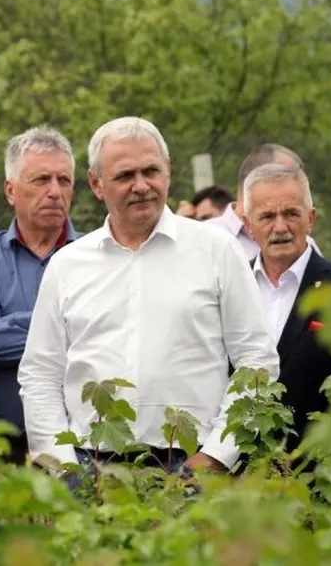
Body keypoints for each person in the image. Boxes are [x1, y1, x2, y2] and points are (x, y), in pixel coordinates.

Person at [19, 117, 279, 474]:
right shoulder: (67, 265)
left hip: (195, 465)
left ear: (168, 172)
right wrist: (64, 468)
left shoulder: (217, 250)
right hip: (91, 467)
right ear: (96, 184)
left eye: (151, 171)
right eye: (125, 176)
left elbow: (256, 361)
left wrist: (218, 456)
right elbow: (40, 374)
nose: (141, 186)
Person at [0, 126, 81, 464]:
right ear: (11, 191)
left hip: (76, 440)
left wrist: (7, 329)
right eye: (41, 180)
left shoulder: (93, 255)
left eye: (64, 180)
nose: (55, 192)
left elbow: (112, 336)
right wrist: (69, 328)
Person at [238, 164, 331, 448]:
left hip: (321, 469)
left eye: (291, 214)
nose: (280, 227)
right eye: (266, 216)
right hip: (239, 472)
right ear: (249, 225)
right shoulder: (230, 287)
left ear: (310, 219)